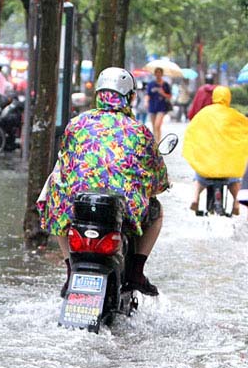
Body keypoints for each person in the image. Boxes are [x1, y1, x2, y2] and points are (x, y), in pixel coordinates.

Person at [39, 67, 170, 297]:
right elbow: (158, 176)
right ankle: (136, 272)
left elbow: (65, 161)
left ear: (99, 94)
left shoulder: (76, 124)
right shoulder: (140, 131)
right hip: (123, 210)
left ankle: (70, 270)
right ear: (129, 97)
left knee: (54, 199)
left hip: (75, 207)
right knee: (156, 212)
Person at [182, 86, 248, 216]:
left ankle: (195, 198)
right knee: (234, 179)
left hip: (208, 165)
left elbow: (192, 132)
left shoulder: (204, 113)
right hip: (227, 166)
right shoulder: (234, 115)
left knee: (199, 177)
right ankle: (236, 202)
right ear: (228, 97)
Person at [146, 67, 173, 141]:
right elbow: (148, 94)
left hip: (162, 107)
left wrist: (163, 93)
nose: (158, 74)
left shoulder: (165, 85)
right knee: (154, 126)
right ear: (155, 74)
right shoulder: (151, 84)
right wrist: (146, 102)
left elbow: (169, 96)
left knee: (157, 125)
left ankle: (158, 142)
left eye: (159, 72)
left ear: (162, 74)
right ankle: (155, 142)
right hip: (152, 106)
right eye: (156, 72)